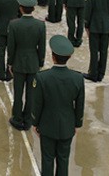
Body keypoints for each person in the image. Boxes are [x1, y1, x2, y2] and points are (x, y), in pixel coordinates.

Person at [31, 34, 84, 176]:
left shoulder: (42, 78)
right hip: (67, 125)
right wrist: (77, 124)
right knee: (63, 160)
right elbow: (80, 105)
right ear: (69, 57)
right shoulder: (78, 78)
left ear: (52, 56)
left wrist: (35, 122)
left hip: (47, 125)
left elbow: (37, 103)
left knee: (47, 160)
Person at [7, 0, 46, 131]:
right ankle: (28, 118)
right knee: (31, 94)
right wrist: (40, 63)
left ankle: (17, 118)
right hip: (33, 63)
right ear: (33, 9)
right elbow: (42, 47)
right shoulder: (40, 25)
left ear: (20, 8)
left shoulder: (14, 24)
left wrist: (10, 63)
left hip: (18, 62)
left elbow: (11, 47)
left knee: (18, 93)